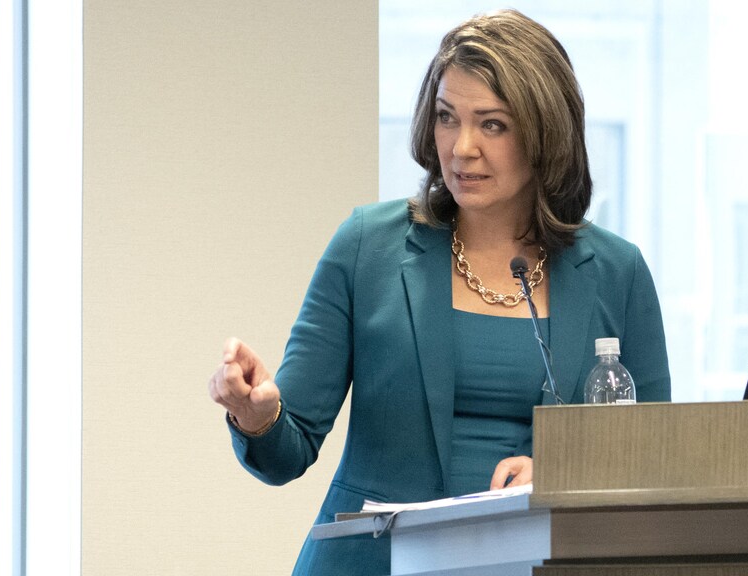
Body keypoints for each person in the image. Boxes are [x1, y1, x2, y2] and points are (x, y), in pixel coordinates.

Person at [207, 8, 670, 575]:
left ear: (545, 134)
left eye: (492, 124)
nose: (462, 146)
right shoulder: (367, 246)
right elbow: (287, 451)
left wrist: (565, 476)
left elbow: (654, 458)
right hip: (372, 564)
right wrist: (256, 416)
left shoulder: (618, 273)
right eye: (447, 117)